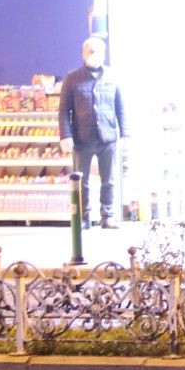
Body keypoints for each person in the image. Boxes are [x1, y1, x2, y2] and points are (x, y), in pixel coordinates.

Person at [58, 36, 128, 229]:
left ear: (103, 54)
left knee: (109, 179)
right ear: (83, 53)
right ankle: (84, 216)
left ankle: (108, 215)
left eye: (96, 52)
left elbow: (120, 106)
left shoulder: (113, 77)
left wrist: (126, 133)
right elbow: (64, 110)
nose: (93, 55)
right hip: (82, 137)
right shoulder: (72, 78)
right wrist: (65, 135)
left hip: (107, 137)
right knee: (83, 180)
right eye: (89, 51)